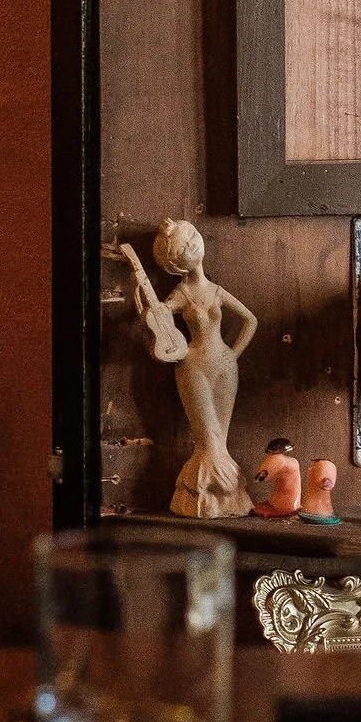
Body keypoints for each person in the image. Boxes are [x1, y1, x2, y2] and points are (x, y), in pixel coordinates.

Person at [108, 221, 257, 518]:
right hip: (193, 366)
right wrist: (140, 294)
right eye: (182, 247)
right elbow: (156, 317)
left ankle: (224, 498)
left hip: (225, 366)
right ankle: (203, 497)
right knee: (207, 436)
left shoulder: (216, 290)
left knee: (221, 437)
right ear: (174, 263)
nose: (190, 246)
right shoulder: (181, 294)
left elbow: (250, 320)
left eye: (190, 239)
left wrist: (233, 354)